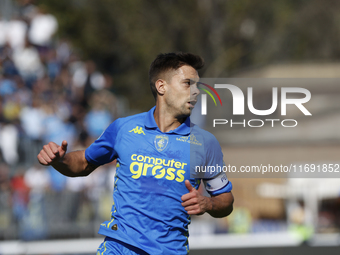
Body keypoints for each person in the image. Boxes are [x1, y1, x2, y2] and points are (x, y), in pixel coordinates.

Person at [37, 52, 234, 254]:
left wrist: (208, 203)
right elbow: (84, 163)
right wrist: (60, 160)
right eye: (187, 83)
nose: (196, 92)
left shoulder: (205, 143)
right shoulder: (124, 128)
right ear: (161, 86)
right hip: (119, 247)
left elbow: (225, 200)